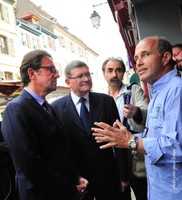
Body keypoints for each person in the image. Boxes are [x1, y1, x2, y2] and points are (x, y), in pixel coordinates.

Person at [92, 36, 182, 200]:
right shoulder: (159, 91)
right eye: (135, 58)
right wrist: (121, 137)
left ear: (166, 57)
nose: (138, 63)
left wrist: (131, 141)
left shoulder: (177, 90)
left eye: (145, 54)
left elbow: (176, 148)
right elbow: (158, 137)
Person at [1, 50, 88, 200]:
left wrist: (76, 177)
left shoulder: (47, 107)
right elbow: (31, 163)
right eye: (51, 70)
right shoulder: (17, 109)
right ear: (32, 73)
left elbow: (59, 153)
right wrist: (69, 189)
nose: (57, 75)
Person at [51, 60, 130, 200]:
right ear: (68, 82)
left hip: (109, 178)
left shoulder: (106, 102)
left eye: (88, 74)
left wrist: (123, 176)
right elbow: (59, 148)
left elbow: (120, 142)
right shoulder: (56, 108)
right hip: (79, 181)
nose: (86, 79)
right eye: (80, 76)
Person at [102, 57, 148, 200]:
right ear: (104, 73)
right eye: (110, 70)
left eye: (118, 70)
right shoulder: (101, 97)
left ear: (123, 73)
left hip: (134, 153)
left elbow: (146, 110)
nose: (114, 74)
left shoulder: (133, 89)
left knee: (142, 191)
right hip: (115, 158)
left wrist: (136, 112)